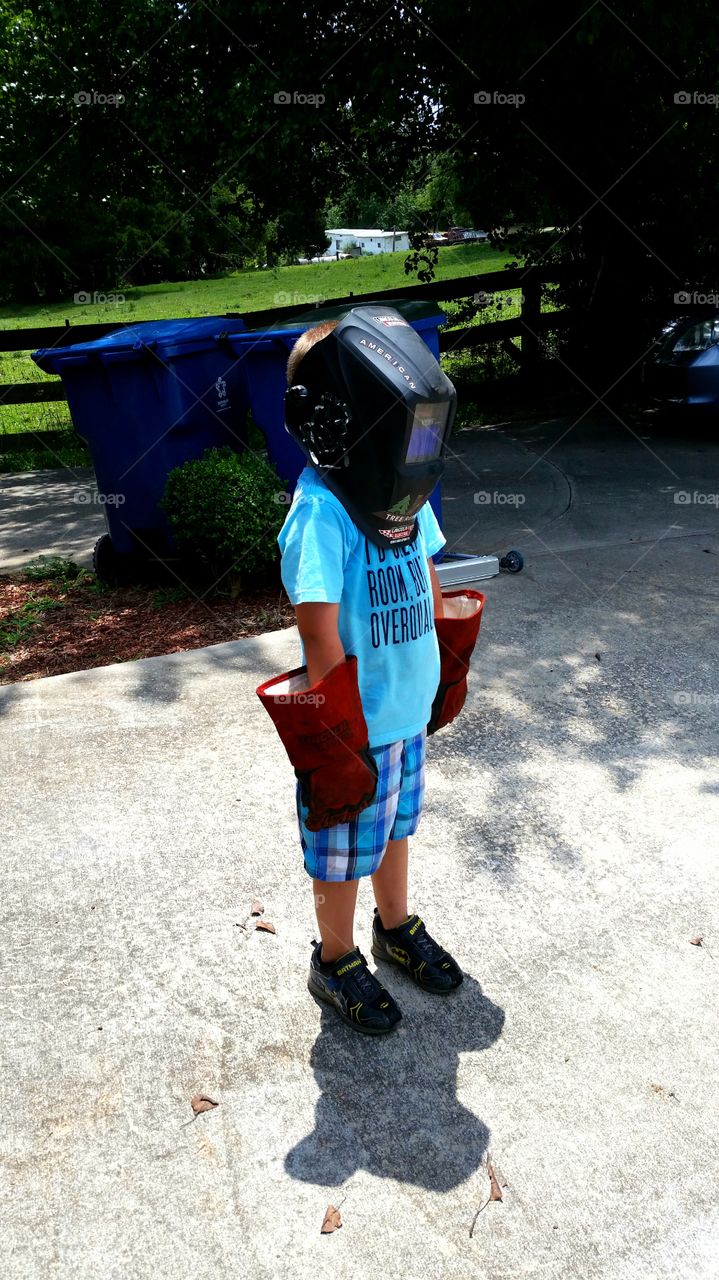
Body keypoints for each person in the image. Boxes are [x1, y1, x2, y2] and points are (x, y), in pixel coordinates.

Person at [257, 306, 484, 1036]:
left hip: (404, 711)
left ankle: (395, 926)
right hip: (357, 727)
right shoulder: (320, 511)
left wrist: (444, 663)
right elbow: (317, 628)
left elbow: (428, 572)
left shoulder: (401, 497)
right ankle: (336, 958)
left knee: (394, 830)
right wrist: (338, 732)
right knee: (342, 851)